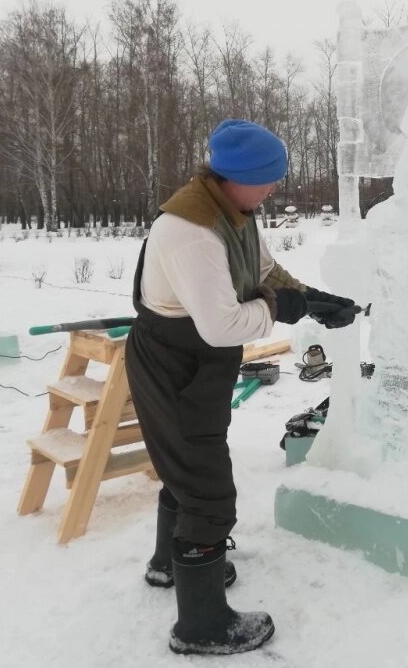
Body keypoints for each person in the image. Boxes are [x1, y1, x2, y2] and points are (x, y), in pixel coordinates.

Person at [125, 119, 356, 656]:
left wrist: (312, 297)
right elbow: (221, 324)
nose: (274, 189)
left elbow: (264, 271)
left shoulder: (233, 211)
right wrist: (280, 310)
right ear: (236, 177)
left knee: (186, 464)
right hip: (178, 360)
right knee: (207, 489)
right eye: (268, 180)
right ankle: (202, 625)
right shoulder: (191, 231)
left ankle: (169, 564)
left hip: (195, 360)